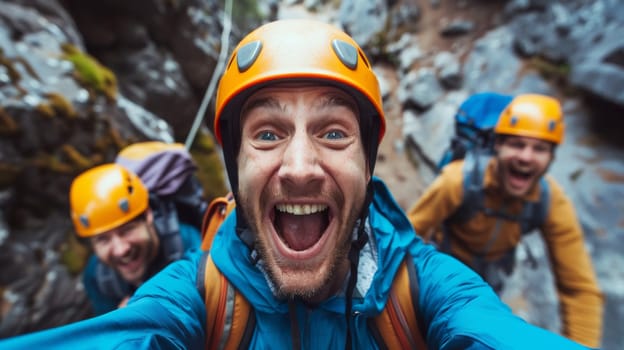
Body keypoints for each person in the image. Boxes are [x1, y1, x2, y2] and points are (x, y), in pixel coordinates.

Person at [1, 19, 588, 349]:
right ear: (234, 166)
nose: (301, 166)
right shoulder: (196, 297)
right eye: (266, 135)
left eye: (334, 133)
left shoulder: (425, 291)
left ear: (368, 163)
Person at [407, 93, 604, 348]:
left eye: (539, 148)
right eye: (517, 144)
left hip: (490, 282)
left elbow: (578, 288)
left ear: (551, 157)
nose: (526, 157)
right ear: (497, 146)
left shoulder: (550, 200)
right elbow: (408, 234)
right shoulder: (458, 180)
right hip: (445, 274)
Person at [70, 162, 202, 314]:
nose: (120, 250)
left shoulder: (191, 247)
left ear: (148, 215)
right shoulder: (96, 277)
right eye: (103, 239)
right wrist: (118, 321)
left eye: (127, 230)